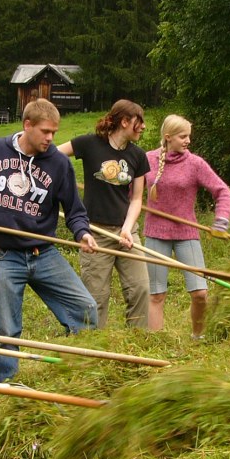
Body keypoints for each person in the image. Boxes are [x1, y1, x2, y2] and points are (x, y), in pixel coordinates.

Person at [0, 98, 98, 384]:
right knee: (5, 330)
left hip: (44, 254)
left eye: (54, 132)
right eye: (45, 131)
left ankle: (81, 370)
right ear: (27, 125)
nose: (51, 138)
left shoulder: (59, 164)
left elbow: (75, 211)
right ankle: (8, 386)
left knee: (86, 309)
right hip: (4, 256)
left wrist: (83, 233)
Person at [57, 99, 151, 329]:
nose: (144, 126)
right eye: (139, 121)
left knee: (140, 288)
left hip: (126, 232)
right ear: (124, 121)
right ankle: (95, 344)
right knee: (96, 297)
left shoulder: (138, 155)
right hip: (95, 234)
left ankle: (137, 342)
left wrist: (128, 228)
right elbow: (53, 154)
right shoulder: (89, 144)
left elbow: (137, 198)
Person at [143, 114, 230, 338]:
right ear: (168, 137)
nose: (188, 141)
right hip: (155, 234)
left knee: (200, 292)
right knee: (156, 294)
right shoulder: (147, 160)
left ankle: (198, 336)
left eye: (188, 136)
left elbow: (222, 191)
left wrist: (221, 221)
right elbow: (129, 195)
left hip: (186, 233)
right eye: (183, 136)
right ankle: (157, 343)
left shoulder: (195, 163)